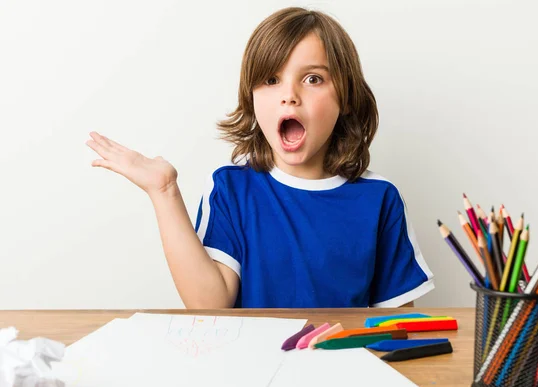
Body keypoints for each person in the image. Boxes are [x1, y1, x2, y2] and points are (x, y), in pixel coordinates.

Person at [86, 7, 434, 308]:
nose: (290, 96)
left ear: (345, 98)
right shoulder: (231, 189)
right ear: (251, 97)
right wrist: (164, 192)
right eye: (271, 79)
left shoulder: (379, 198)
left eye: (313, 79)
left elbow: (398, 325)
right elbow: (209, 304)